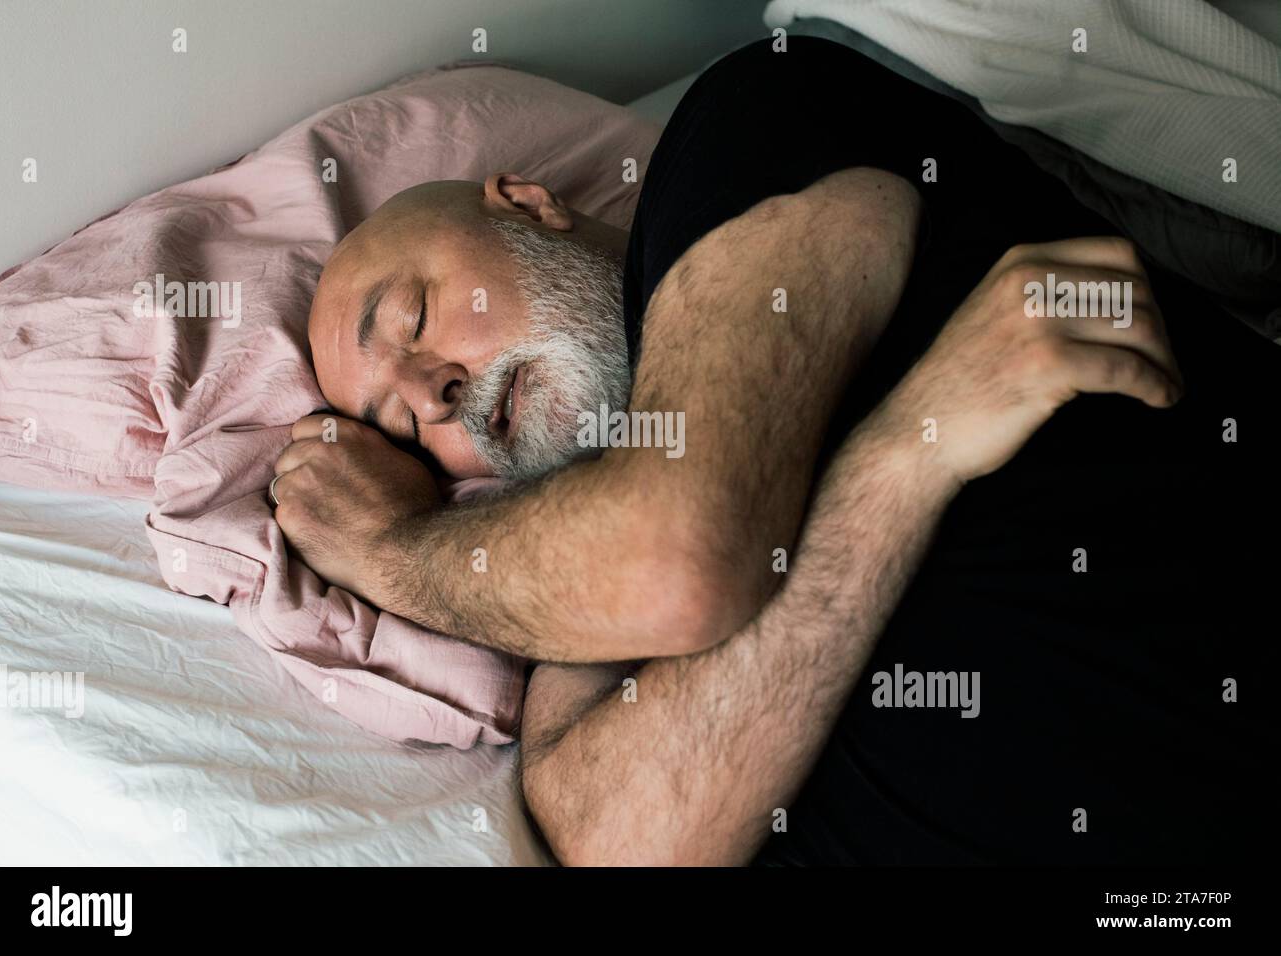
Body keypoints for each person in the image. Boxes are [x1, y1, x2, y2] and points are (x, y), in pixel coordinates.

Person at [273, 38, 1269, 864]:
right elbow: (618, 844)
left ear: (529, 203)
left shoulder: (743, 133)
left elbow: (681, 552)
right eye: (404, 428)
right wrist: (900, 459)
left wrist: (388, 545)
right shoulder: (571, 596)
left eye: (415, 313)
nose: (432, 392)